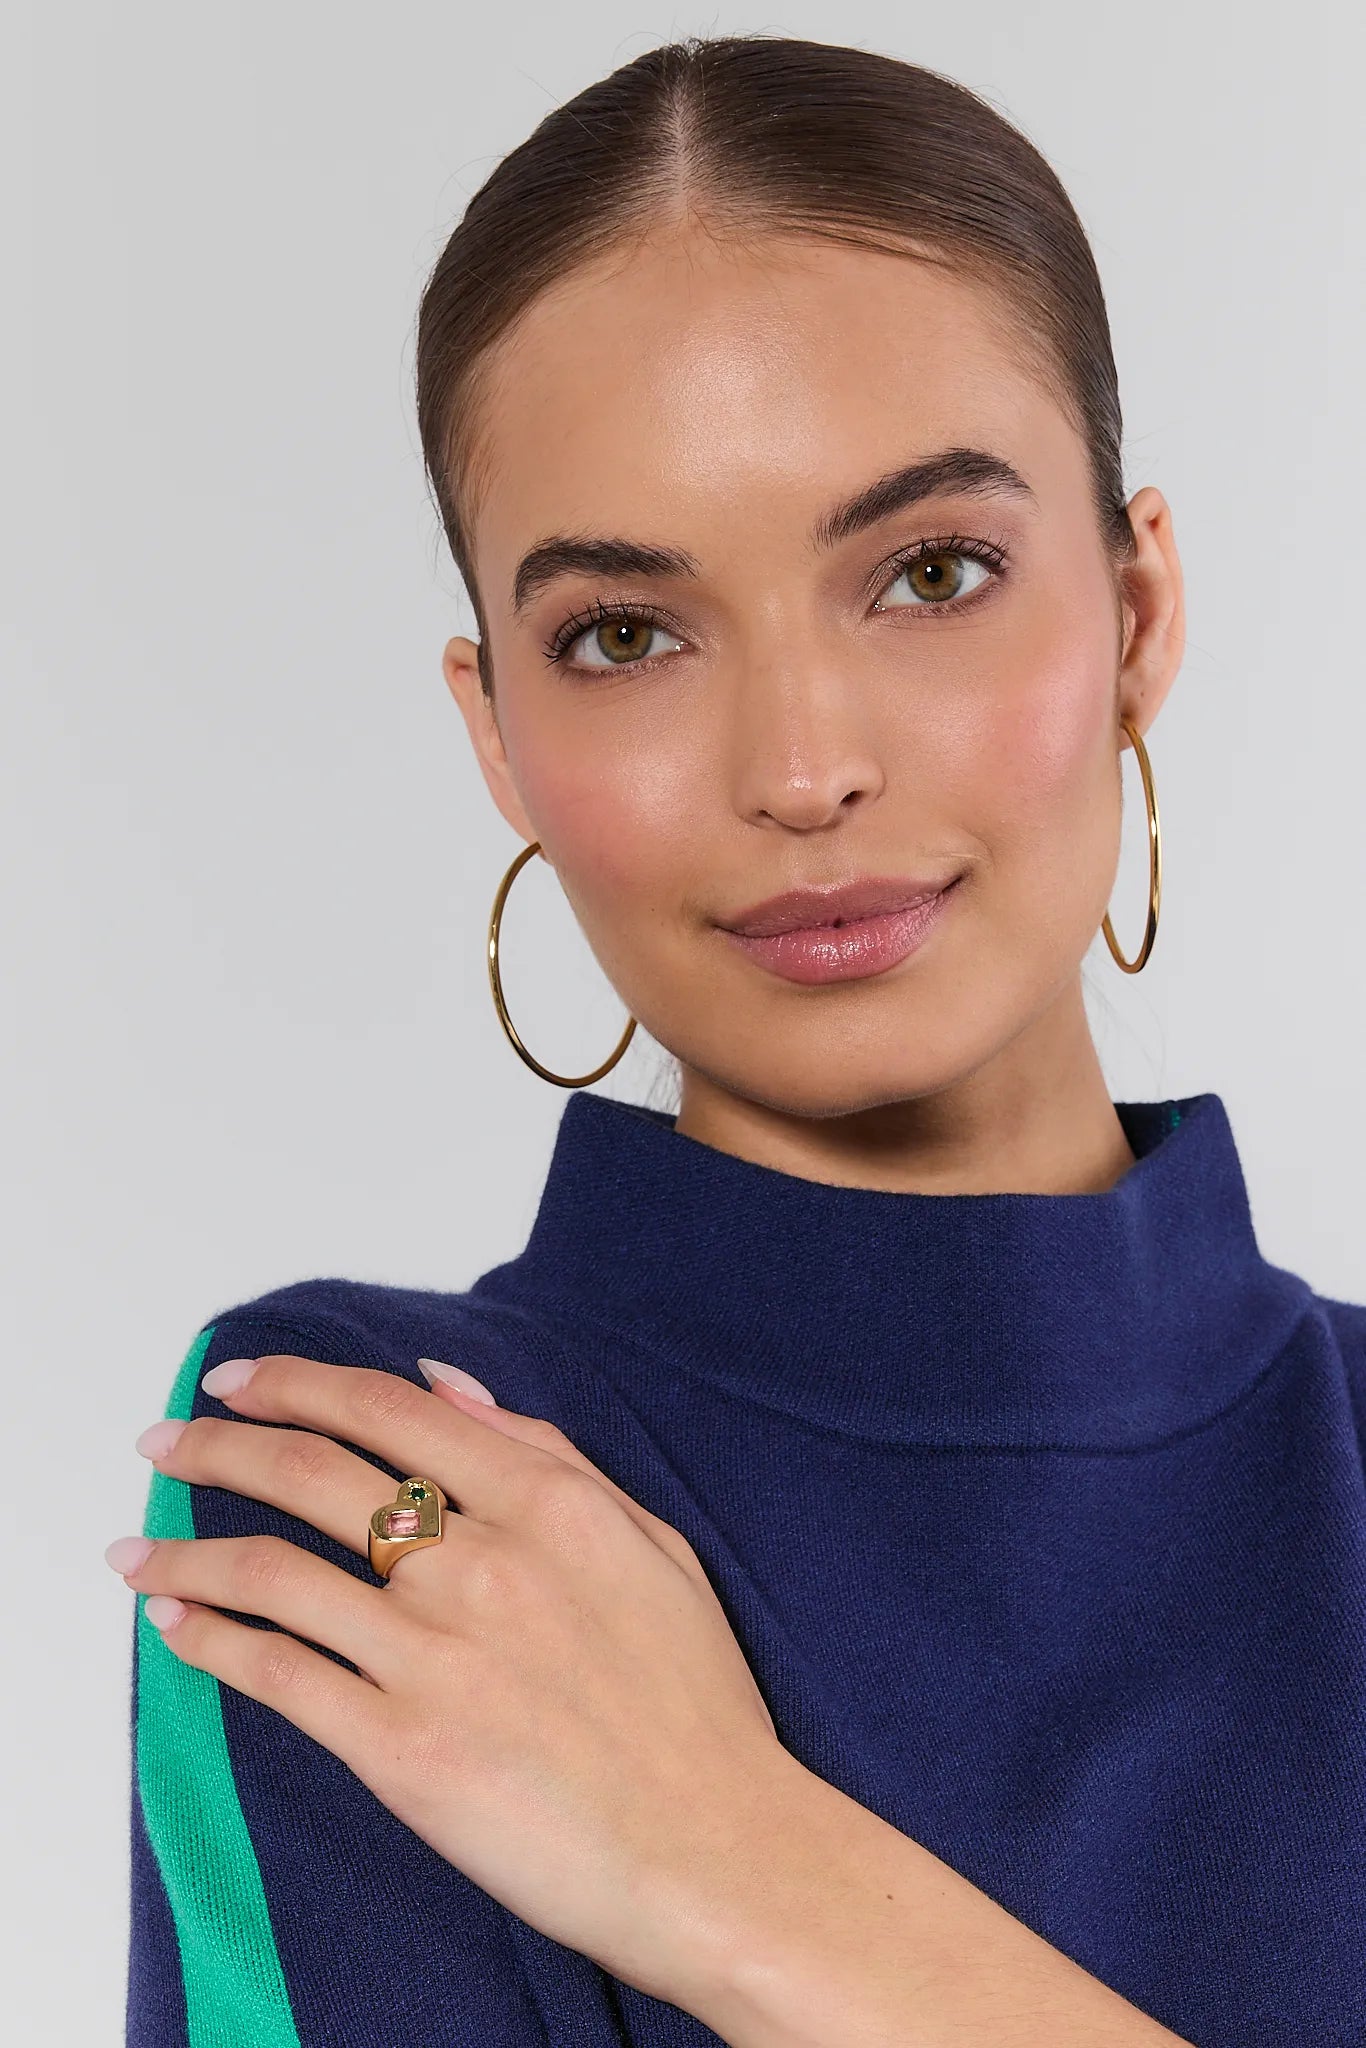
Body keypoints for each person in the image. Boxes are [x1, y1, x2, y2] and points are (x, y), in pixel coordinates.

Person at [117, 31, 1366, 2048]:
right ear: (495, 734)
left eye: (931, 573)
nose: (800, 767)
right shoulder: (381, 1479)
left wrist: (737, 1872)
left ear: (1136, 614)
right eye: (624, 631)